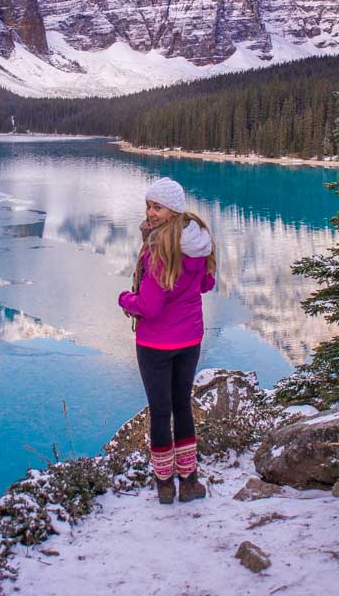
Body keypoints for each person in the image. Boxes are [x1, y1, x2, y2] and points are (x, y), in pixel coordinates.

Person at [118, 178, 216, 505]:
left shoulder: (160, 252)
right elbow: (206, 284)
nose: (150, 212)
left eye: (157, 206)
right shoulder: (198, 243)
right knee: (182, 406)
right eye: (148, 205)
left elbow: (149, 306)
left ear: (173, 210)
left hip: (156, 344)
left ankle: (163, 483)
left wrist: (125, 299)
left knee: (161, 412)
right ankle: (189, 481)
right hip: (190, 339)